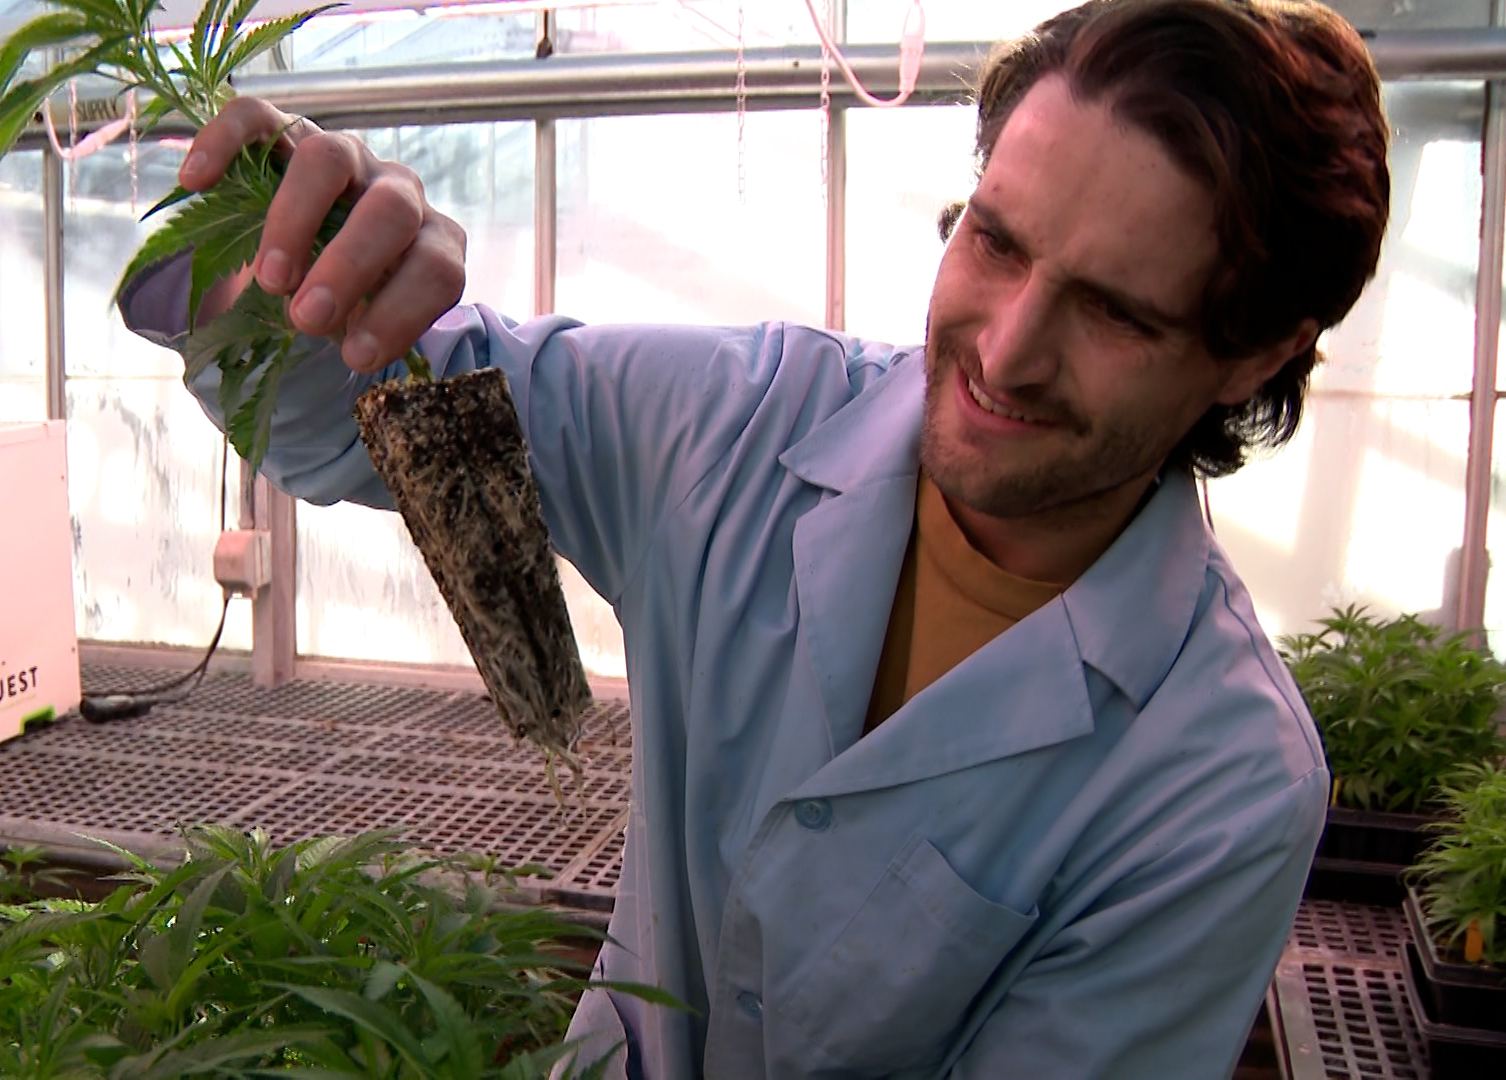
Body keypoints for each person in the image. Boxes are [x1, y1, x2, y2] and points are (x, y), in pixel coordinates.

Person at [120, 0, 1391, 1074]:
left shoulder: (1219, 782)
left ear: (1255, 357)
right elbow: (387, 422)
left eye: (1115, 312)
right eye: (993, 240)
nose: (1008, 350)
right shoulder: (738, 428)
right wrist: (276, 266)